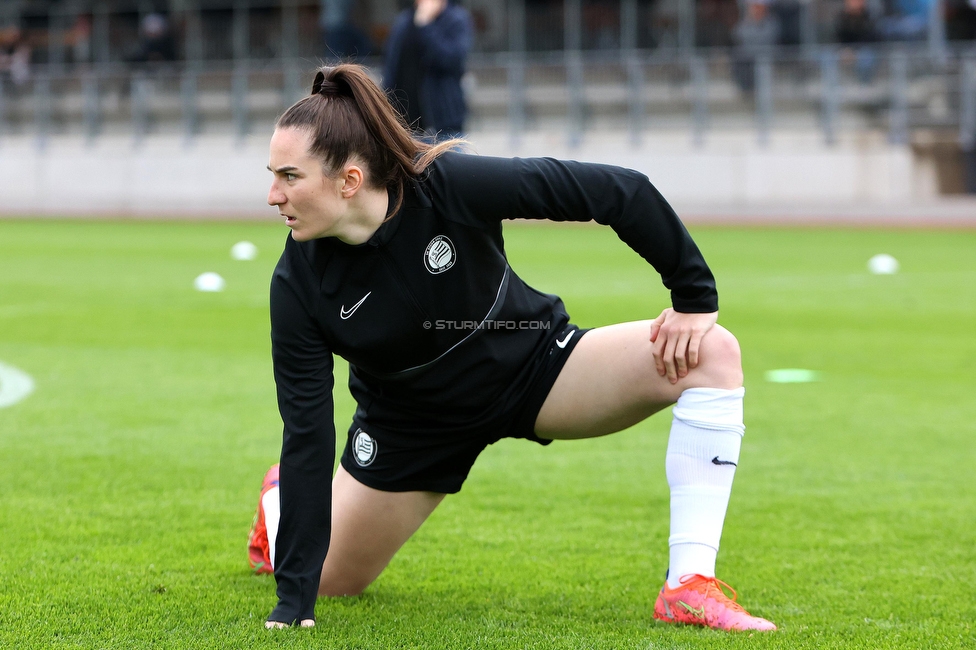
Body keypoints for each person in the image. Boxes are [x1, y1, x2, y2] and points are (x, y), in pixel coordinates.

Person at [248, 62, 778, 633]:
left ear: (348, 180)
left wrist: (694, 297)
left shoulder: (448, 185)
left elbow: (620, 191)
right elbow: (307, 431)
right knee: (334, 582)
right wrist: (294, 602)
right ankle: (277, 506)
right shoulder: (295, 285)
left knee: (712, 353)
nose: (273, 195)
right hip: (410, 428)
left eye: (290, 176)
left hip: (536, 367)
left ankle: (688, 586)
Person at [382, 0, 473, 140]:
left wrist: (426, 25)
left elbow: (450, 59)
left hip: (445, 124)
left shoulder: (456, 19)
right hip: (406, 124)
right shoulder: (404, 22)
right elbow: (391, 66)